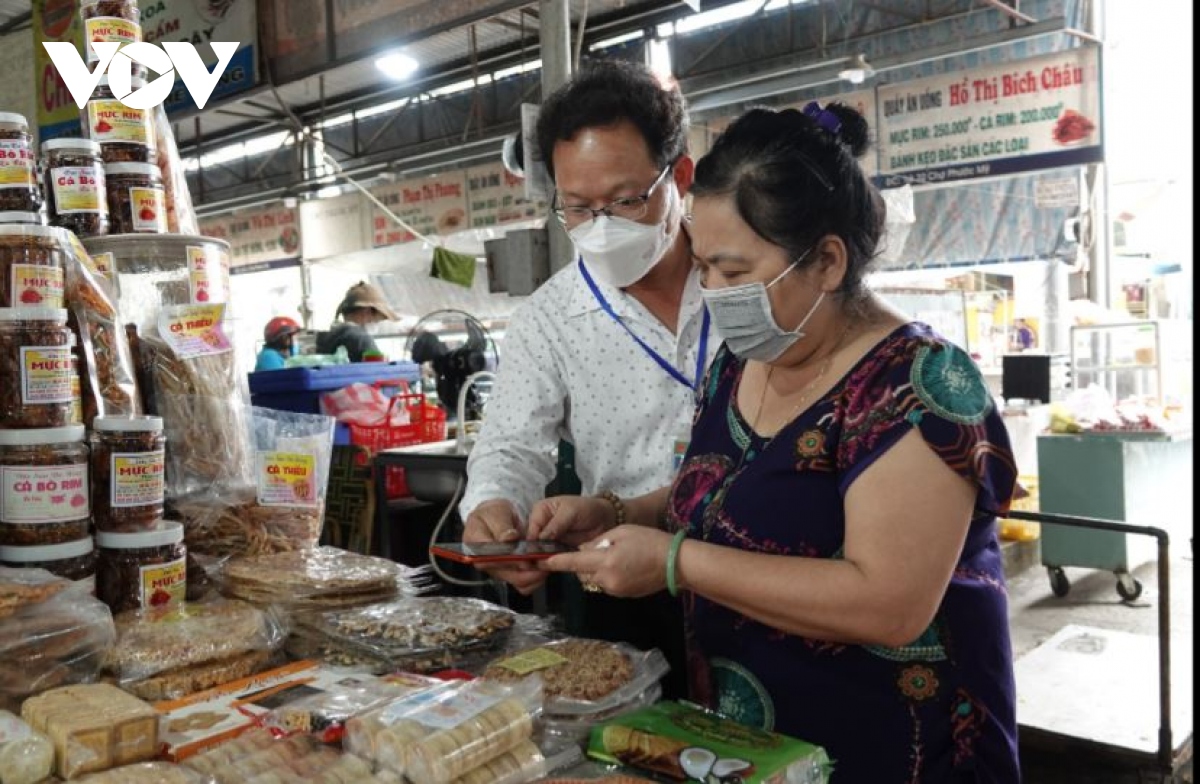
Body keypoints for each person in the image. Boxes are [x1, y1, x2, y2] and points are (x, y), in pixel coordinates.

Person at [530, 103, 1021, 782]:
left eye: (735, 272)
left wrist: (675, 562)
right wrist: (618, 514)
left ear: (825, 260)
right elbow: (736, 491)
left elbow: (889, 603)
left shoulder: (913, 387)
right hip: (751, 750)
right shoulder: (740, 363)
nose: (713, 291)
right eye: (702, 268)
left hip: (894, 748)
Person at [460, 59, 717, 699]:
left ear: (679, 175)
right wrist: (495, 508)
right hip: (622, 581)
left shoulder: (741, 274)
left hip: (766, 574)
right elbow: (511, 444)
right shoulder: (552, 316)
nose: (602, 227)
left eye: (626, 200)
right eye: (577, 208)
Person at [316, 281, 396, 362]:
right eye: (377, 319)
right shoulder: (361, 338)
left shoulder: (331, 337)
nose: (376, 323)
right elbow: (379, 369)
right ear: (366, 311)